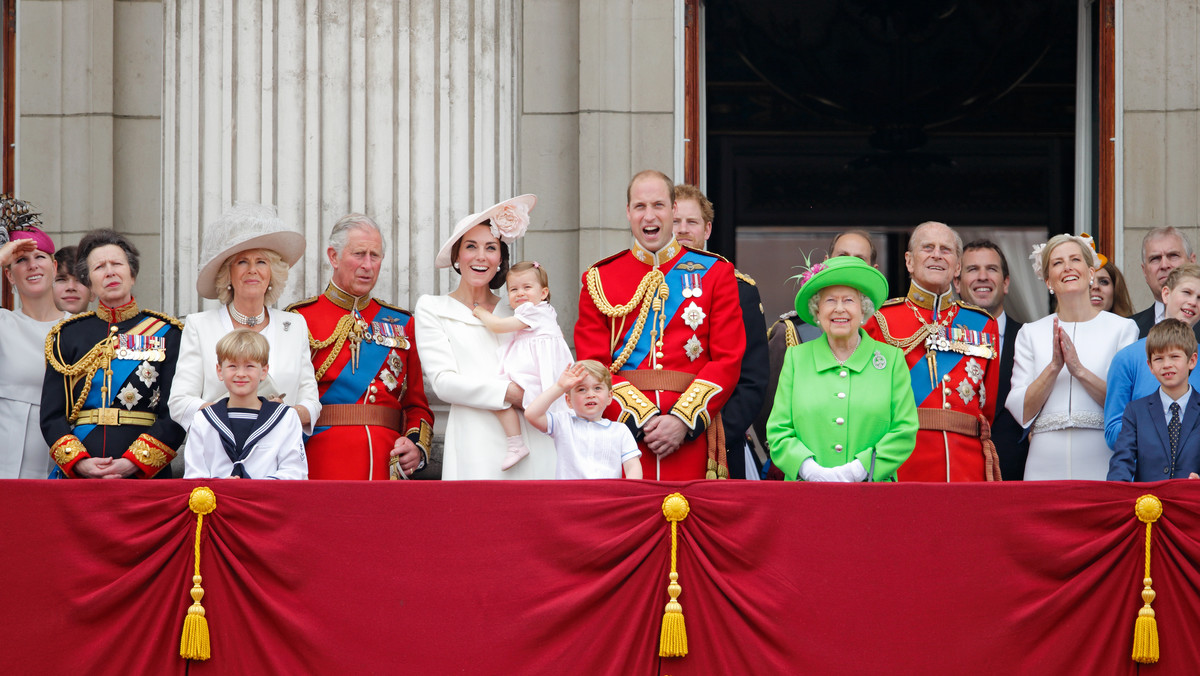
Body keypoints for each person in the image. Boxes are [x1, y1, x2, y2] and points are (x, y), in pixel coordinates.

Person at [574, 171, 745, 480]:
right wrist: (640, 419)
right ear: (628, 212)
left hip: (691, 436)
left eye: (658, 205)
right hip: (622, 435)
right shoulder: (600, 278)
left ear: (674, 209)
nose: (649, 216)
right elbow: (593, 364)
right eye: (639, 206)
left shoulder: (716, 273)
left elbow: (728, 359)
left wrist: (682, 420)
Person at [415, 194, 556, 479]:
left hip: (535, 437)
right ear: (457, 256)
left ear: (501, 258)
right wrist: (509, 394)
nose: (481, 256)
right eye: (471, 247)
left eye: (490, 247)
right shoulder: (433, 308)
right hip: (474, 440)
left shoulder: (519, 308)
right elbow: (443, 383)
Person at [287, 213, 434, 480]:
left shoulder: (403, 322)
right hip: (321, 460)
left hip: (386, 464)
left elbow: (416, 405)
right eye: (359, 254)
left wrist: (415, 445)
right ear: (334, 257)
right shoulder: (299, 319)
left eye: (374, 256)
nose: (367, 265)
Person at [169, 204, 321, 444]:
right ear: (227, 273)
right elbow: (180, 403)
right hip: (217, 452)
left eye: (261, 262)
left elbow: (311, 404)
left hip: (279, 453)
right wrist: (234, 415)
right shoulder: (200, 325)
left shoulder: (294, 325)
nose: (252, 270)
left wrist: (280, 415)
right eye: (242, 262)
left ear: (272, 273)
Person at [40, 229, 185, 478]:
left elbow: (175, 412)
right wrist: (79, 462)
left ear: (132, 274)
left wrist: (135, 463)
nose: (110, 272)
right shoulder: (67, 335)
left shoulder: (168, 333)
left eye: (117, 263)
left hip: (145, 476)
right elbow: (52, 416)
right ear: (89, 283)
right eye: (99, 268)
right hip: (81, 474)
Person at [864, 221, 1001, 481]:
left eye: (946, 250)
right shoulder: (881, 320)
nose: (937, 255)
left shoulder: (984, 324)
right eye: (927, 247)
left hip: (967, 465)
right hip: (904, 462)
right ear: (909, 261)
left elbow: (988, 406)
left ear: (958, 266)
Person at [767, 256, 917, 481]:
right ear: (817, 312)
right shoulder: (797, 358)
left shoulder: (892, 360)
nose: (839, 309)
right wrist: (808, 470)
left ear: (863, 309)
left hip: (872, 496)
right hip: (806, 494)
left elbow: (904, 431)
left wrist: (859, 470)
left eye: (848, 300)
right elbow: (778, 431)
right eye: (829, 301)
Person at [1005, 234, 1138, 480]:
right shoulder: (1030, 333)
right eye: (1057, 263)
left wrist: (1079, 370)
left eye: (1075, 259)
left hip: (1101, 455)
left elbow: (1127, 404)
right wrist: (1054, 367)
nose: (1067, 267)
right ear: (1048, 281)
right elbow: (1021, 410)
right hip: (1044, 459)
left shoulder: (1123, 329)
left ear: (1090, 273)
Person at [755, 230, 880, 478]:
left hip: (868, 479)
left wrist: (862, 468)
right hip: (804, 476)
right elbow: (769, 416)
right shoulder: (792, 332)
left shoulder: (886, 335)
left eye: (858, 258)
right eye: (842, 255)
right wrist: (804, 467)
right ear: (825, 260)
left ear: (873, 268)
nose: (848, 263)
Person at [672, 184, 768, 479]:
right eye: (675, 222)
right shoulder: (641, 289)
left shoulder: (740, 290)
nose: (683, 230)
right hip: (652, 440)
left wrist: (708, 432)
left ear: (708, 229)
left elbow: (752, 379)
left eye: (692, 222)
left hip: (718, 444)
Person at [473, 260, 573, 470]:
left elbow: (498, 326)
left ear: (543, 292)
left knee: (497, 394)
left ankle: (515, 443)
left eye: (527, 287)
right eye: (513, 289)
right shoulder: (546, 311)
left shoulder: (532, 311)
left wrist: (481, 312)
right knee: (500, 395)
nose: (520, 293)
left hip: (535, 371)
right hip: (539, 367)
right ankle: (516, 443)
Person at [0, 196, 70, 478]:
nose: (32, 265)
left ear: (54, 268)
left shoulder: (78, 330)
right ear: (9, 276)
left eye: (40, 257)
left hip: (61, 457)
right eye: (20, 260)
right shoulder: (3, 323)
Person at [184, 330, 308, 480]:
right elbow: (194, 476)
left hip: (267, 501)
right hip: (217, 501)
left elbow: (295, 473)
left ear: (264, 371)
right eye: (233, 366)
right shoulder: (202, 420)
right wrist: (223, 486)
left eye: (249, 366)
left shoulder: (286, 418)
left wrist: (250, 489)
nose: (241, 373)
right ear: (219, 371)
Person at [1104, 264, 1200, 448]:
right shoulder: (1127, 358)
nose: (1193, 302)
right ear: (1166, 294)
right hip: (1142, 474)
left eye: (1199, 297)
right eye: (1186, 292)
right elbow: (1113, 433)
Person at [954, 240, 1029, 480]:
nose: (983, 276)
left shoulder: (1030, 337)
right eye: (972, 269)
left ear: (1006, 283)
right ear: (957, 282)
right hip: (958, 471)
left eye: (992, 269)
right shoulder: (940, 342)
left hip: (1017, 475)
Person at [1108, 319, 1200, 481]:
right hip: (1146, 503)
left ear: (1192, 360)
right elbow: (1121, 463)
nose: (1166, 364)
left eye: (1174, 356)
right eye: (1159, 359)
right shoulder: (1135, 412)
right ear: (1150, 366)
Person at [524, 360, 643, 480]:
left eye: (597, 388)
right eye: (582, 389)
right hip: (570, 496)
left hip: (607, 496)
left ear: (609, 397)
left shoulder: (620, 430)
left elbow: (633, 467)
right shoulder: (563, 423)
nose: (590, 394)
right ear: (569, 401)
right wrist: (559, 387)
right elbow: (532, 414)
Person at [1130, 227, 1197, 337]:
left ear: (1192, 262)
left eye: (1173, 255)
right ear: (1145, 271)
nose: (1164, 265)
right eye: (1155, 258)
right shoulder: (1130, 329)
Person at [53, 245, 93, 314]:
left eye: (80, 280)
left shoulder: (108, 325)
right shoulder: (29, 324)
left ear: (93, 292)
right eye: (61, 279)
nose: (71, 287)